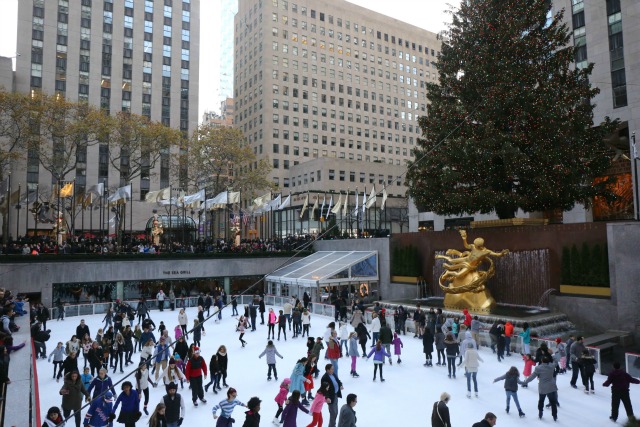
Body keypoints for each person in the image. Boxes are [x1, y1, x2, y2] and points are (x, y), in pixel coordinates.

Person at [523, 356, 558, 421]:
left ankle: (540, 413)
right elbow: (556, 362)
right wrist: (553, 357)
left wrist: (525, 382)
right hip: (551, 387)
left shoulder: (538, 368)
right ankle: (554, 415)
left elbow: (532, 376)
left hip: (542, 388)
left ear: (542, 361)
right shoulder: (551, 366)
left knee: (541, 401)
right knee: (553, 402)